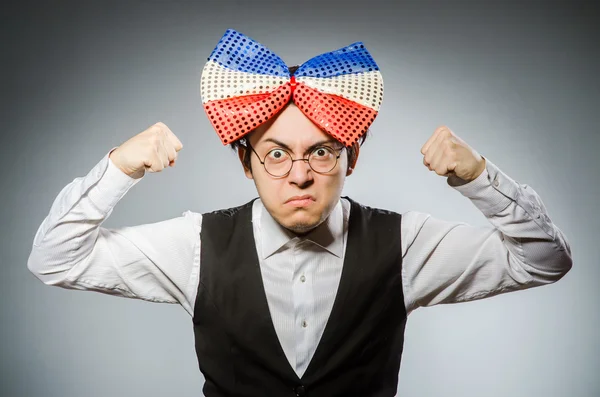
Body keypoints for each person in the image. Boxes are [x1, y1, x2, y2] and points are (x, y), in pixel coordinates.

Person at [27, 29, 572, 397]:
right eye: (277, 153)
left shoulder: (404, 243)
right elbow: (55, 259)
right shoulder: (195, 245)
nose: (300, 174)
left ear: (350, 157)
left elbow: (545, 260)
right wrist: (121, 166)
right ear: (247, 163)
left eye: (322, 151)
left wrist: (477, 175)